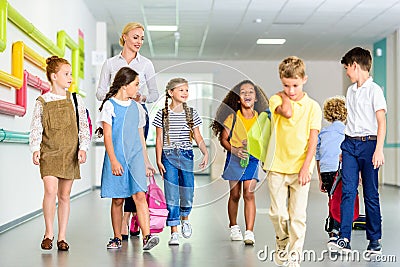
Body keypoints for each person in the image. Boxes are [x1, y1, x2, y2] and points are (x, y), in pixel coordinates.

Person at [96, 22, 159, 239]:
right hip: (116, 116)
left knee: (137, 168)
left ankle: (131, 219)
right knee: (121, 172)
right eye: (135, 37)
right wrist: (115, 101)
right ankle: (122, 223)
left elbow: (154, 94)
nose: (139, 41)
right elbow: (100, 92)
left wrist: (137, 97)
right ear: (124, 37)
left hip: (137, 115)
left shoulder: (146, 64)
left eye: (142, 38)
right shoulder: (110, 64)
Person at [263, 56, 322, 266]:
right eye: (286, 85)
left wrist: (307, 167)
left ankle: (295, 258)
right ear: (281, 81)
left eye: (295, 85)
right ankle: (282, 241)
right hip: (277, 166)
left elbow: (313, 139)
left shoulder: (313, 107)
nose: (291, 90)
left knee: (298, 216)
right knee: (277, 213)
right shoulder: (276, 100)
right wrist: (283, 95)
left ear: (304, 79)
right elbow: (286, 113)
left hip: (300, 169)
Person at [329, 47, 387, 255]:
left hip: (370, 145)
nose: (346, 72)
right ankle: (344, 237)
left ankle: (374, 240)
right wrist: (345, 148)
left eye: (347, 68)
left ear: (355, 65)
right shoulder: (350, 91)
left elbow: (381, 122)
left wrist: (378, 150)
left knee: (370, 194)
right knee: (348, 191)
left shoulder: (375, 90)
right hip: (350, 144)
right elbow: (351, 121)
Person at [29, 56, 90, 251]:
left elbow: (83, 126)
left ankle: (62, 237)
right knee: (50, 191)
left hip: (70, 152)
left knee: (65, 195)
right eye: (66, 74)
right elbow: (36, 126)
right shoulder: (42, 101)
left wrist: (83, 147)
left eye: (71, 74)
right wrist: (35, 148)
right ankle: (49, 233)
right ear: (54, 76)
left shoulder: (75, 99)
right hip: (49, 152)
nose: (70, 78)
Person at [211, 80, 269, 245]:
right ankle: (234, 226)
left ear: (256, 98)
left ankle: (249, 232)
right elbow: (223, 139)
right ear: (238, 98)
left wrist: (254, 146)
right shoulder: (232, 117)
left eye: (251, 92)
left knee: (249, 193)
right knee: (235, 194)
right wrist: (235, 149)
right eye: (243, 92)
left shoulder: (261, 118)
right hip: (234, 158)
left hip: (251, 159)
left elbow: (264, 139)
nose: (247, 94)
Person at [153, 78, 208, 246]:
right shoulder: (162, 114)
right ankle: (174, 231)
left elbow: (197, 135)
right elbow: (159, 139)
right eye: (181, 90)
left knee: (188, 192)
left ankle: (185, 218)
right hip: (168, 156)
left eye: (186, 90)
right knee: (171, 194)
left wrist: (205, 151)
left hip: (186, 155)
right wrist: (158, 160)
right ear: (171, 93)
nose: (185, 93)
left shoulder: (191, 113)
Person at [316, 96, 347, 243]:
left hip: (325, 171)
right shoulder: (347, 132)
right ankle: (336, 230)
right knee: (341, 200)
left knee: (332, 199)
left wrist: (320, 177)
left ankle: (333, 229)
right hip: (340, 170)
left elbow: (318, 155)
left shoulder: (323, 133)